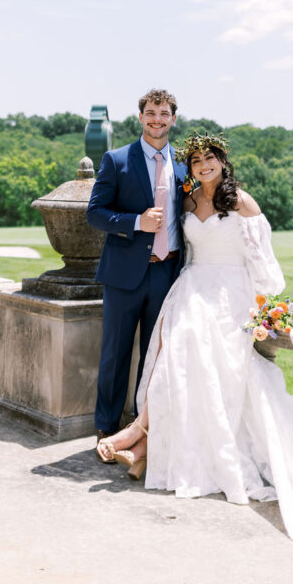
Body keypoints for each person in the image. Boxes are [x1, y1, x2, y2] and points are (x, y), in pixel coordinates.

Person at [96, 131, 293, 565]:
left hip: (229, 295)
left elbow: (264, 265)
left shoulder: (242, 203)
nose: (203, 167)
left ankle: (135, 437)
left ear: (222, 161)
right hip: (191, 287)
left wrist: (265, 311)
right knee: (173, 362)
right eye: (197, 161)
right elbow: (180, 250)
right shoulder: (185, 201)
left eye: (210, 159)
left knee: (195, 359)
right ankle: (144, 449)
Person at [87, 88, 187, 447]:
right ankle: (106, 427)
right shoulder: (117, 160)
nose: (157, 119)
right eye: (150, 112)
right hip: (124, 273)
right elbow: (94, 213)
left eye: (164, 113)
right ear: (140, 117)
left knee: (155, 356)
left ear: (173, 119)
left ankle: (143, 431)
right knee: (115, 352)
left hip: (168, 272)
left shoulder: (184, 162)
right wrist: (135, 222)